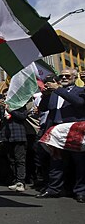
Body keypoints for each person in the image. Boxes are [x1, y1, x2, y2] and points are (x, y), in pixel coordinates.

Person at [37, 68, 85, 202]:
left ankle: (80, 191)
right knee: (56, 162)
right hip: (56, 132)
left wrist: (58, 89)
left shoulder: (80, 91)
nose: (63, 78)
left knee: (79, 162)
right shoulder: (55, 92)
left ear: (75, 78)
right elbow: (43, 108)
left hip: (75, 131)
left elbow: (79, 103)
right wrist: (46, 95)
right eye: (61, 76)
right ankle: (53, 189)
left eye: (67, 76)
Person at [0, 98, 28, 192]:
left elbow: (23, 116)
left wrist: (11, 110)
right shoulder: (3, 106)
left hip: (18, 135)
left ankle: (21, 181)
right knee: (11, 159)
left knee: (20, 159)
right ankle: (14, 180)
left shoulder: (20, 104)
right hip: (6, 136)